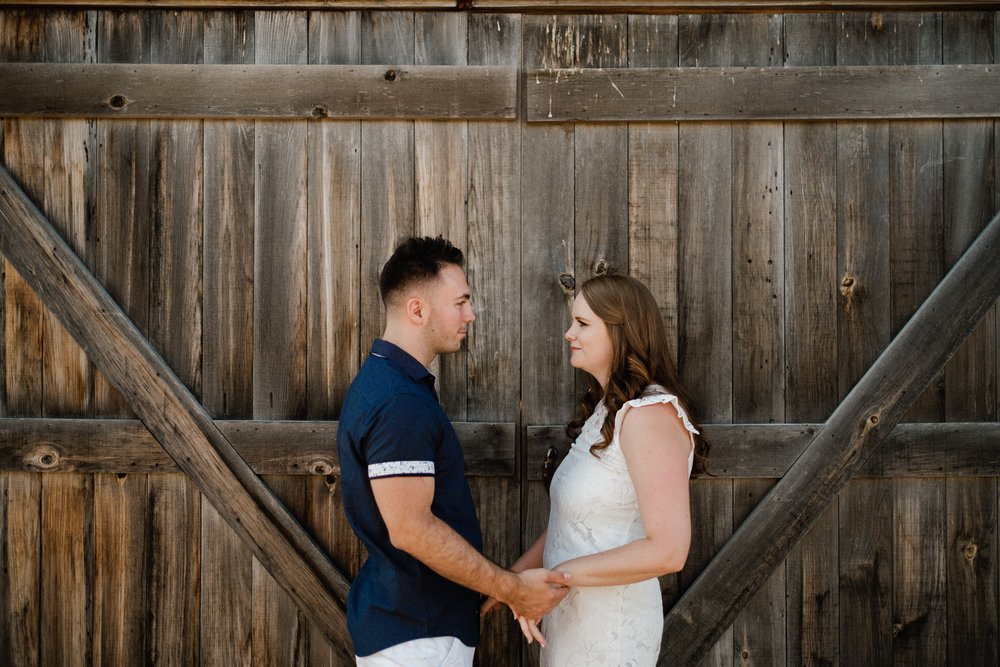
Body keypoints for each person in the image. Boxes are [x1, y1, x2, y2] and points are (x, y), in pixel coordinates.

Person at [337, 236, 570, 666]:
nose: (471, 314)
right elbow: (411, 528)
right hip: (420, 636)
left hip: (415, 630)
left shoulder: (393, 386)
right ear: (417, 309)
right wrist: (511, 587)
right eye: (460, 302)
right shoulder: (398, 402)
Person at [483, 273, 710, 665]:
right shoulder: (608, 410)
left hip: (611, 632)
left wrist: (556, 578)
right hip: (572, 622)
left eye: (583, 324)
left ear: (622, 332)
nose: (569, 334)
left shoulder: (649, 415)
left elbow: (669, 551)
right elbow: (570, 521)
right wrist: (507, 585)